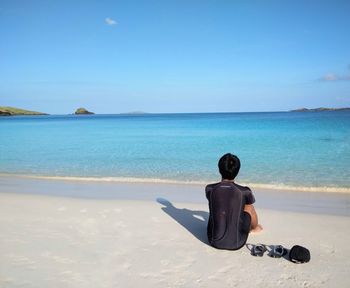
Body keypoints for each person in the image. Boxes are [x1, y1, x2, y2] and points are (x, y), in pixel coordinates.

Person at [206, 153, 262, 250]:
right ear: (237, 171)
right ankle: (255, 228)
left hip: (212, 240)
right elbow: (247, 205)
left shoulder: (210, 188)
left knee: (220, 204)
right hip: (236, 243)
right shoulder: (244, 191)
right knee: (249, 207)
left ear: (219, 170)